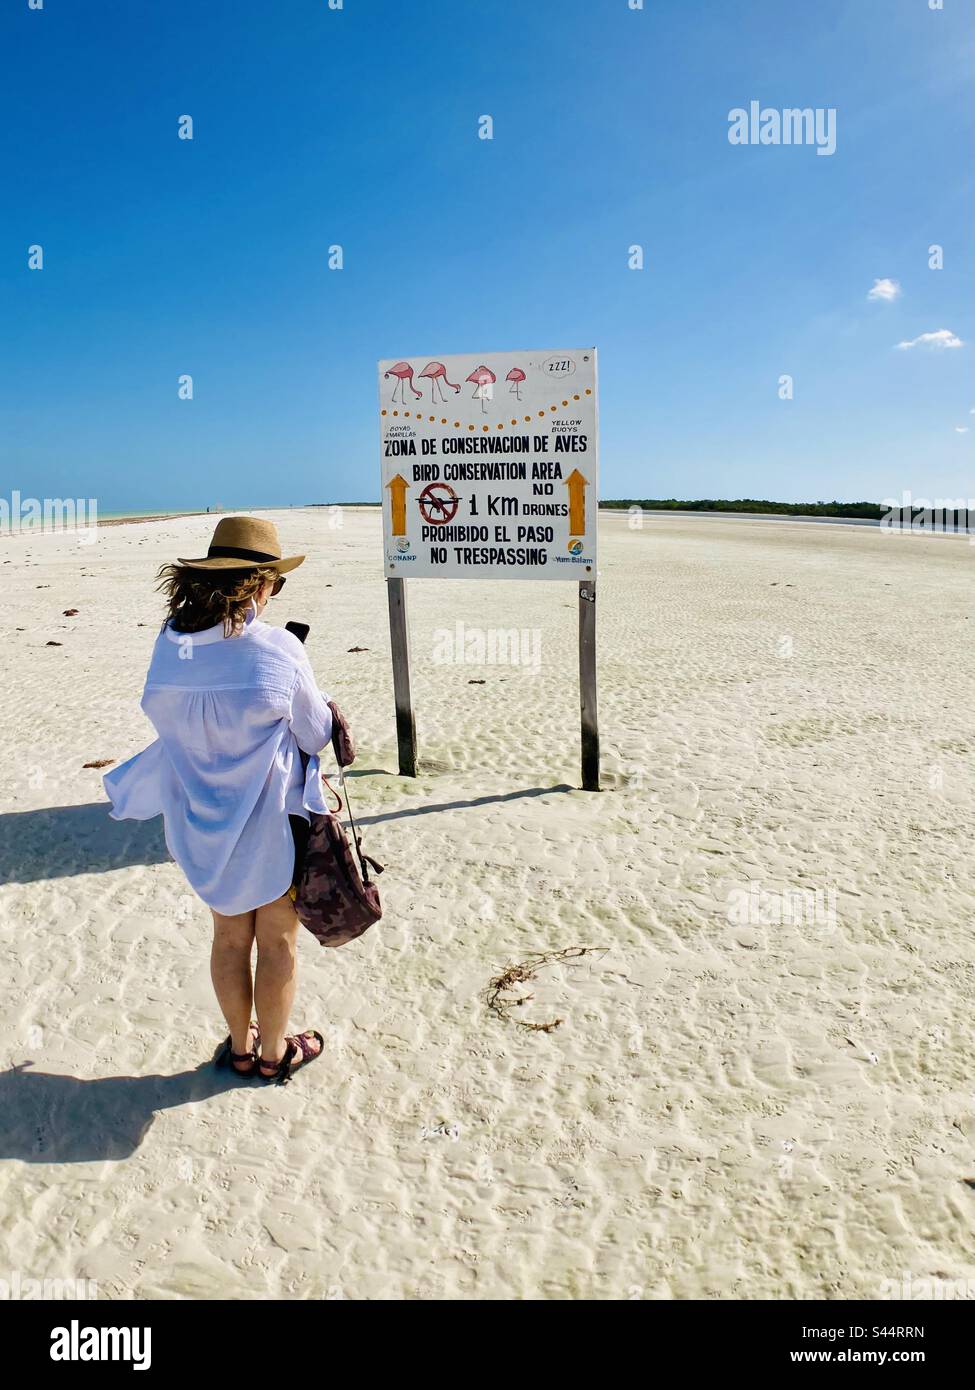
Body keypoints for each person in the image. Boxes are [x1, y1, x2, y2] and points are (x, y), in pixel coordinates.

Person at [104, 516, 333, 1083]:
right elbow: (315, 733)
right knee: (277, 939)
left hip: (199, 819)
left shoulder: (169, 644)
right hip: (274, 821)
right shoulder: (278, 648)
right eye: (274, 582)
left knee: (229, 938)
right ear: (259, 583)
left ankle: (238, 1046)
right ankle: (275, 1055)